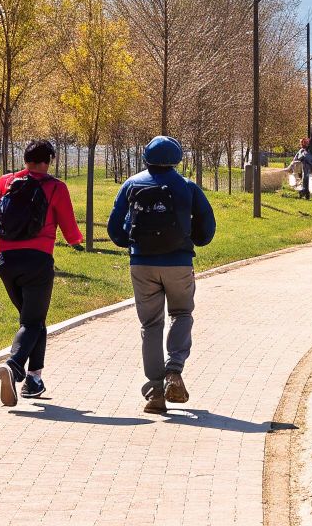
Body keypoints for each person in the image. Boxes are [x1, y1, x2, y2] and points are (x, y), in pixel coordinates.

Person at [107, 135, 216, 415]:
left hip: (141, 263)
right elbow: (207, 226)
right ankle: (174, 371)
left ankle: (155, 392)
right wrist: (196, 240)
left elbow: (114, 227)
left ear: (146, 157)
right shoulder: (187, 186)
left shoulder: (131, 184)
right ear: (177, 158)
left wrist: (129, 244)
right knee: (181, 314)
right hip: (178, 262)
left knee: (150, 325)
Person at [0, 139, 83, 406]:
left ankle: (34, 381)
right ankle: (14, 367)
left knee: (33, 320)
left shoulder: (6, 182)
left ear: (24, 159)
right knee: (31, 322)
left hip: (6, 262)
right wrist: (76, 241)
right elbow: (69, 225)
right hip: (37, 261)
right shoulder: (55, 187)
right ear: (48, 160)